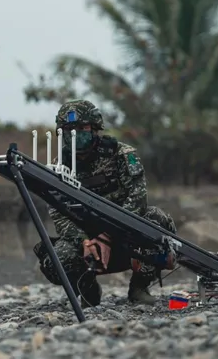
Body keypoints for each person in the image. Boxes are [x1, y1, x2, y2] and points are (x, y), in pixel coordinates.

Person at [33, 99, 177, 308]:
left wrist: (108, 236)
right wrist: (84, 242)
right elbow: (59, 214)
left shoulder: (122, 155)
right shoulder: (58, 166)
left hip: (126, 237)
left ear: (94, 128)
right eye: (69, 129)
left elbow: (137, 200)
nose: (75, 134)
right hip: (88, 242)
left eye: (82, 128)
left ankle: (139, 287)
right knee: (57, 257)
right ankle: (88, 289)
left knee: (156, 220)